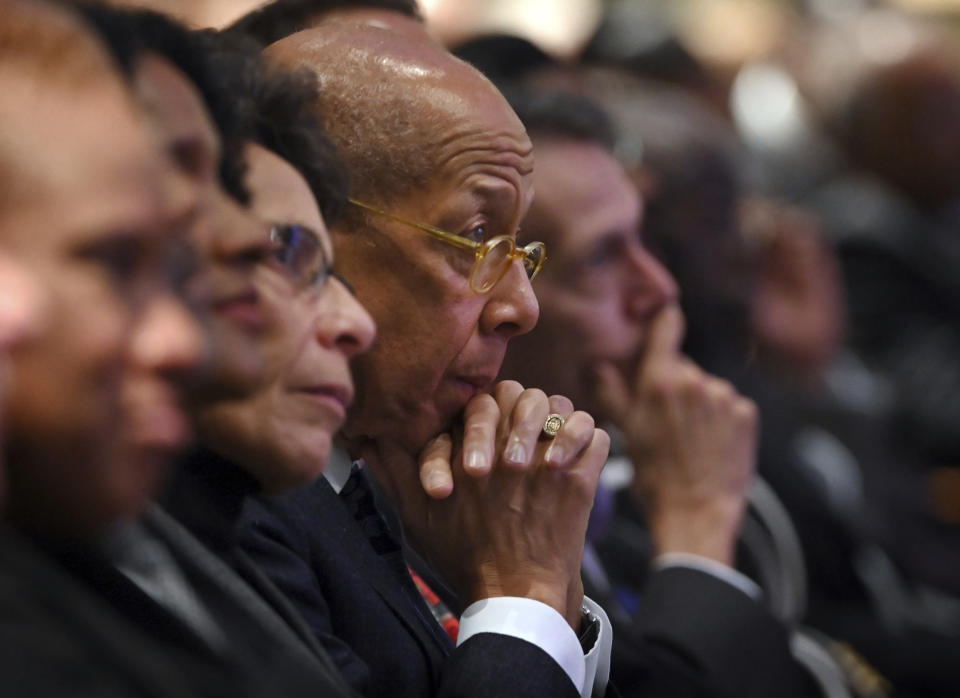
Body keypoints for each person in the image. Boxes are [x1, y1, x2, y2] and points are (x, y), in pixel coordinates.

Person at [239, 18, 612, 698]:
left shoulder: (396, 476)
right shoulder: (234, 506)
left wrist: (546, 601)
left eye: (517, 246)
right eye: (475, 235)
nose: (521, 306)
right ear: (308, 234)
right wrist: (521, 596)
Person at [496, 89, 812, 698]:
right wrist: (697, 526)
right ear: (499, 299)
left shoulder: (630, 468)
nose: (661, 288)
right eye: (601, 258)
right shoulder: (457, 533)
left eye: (646, 240)